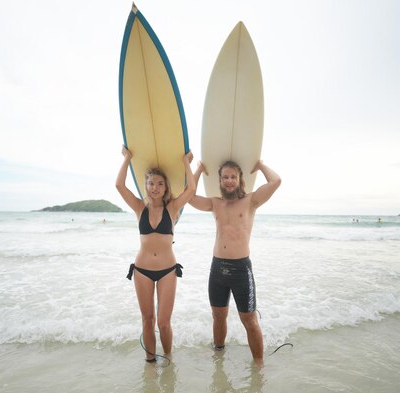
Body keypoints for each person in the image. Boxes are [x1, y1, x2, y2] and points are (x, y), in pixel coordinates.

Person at [189, 159, 281, 366]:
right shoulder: (215, 203)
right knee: (218, 316)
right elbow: (189, 197)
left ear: (240, 180)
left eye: (233, 177)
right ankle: (218, 356)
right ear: (220, 181)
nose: (229, 181)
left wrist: (260, 165)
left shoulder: (251, 201)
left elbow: (276, 181)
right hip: (217, 269)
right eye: (225, 177)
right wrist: (199, 169)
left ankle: (259, 365)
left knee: (249, 320)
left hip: (241, 270)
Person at [116, 146, 195, 363]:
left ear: (166, 187)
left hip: (167, 271)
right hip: (141, 271)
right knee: (147, 319)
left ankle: (169, 358)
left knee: (163, 322)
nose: (155, 187)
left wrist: (187, 162)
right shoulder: (139, 208)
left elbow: (191, 189)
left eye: (160, 183)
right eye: (151, 183)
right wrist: (127, 158)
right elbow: (119, 185)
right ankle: (150, 362)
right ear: (146, 186)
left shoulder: (172, 208)